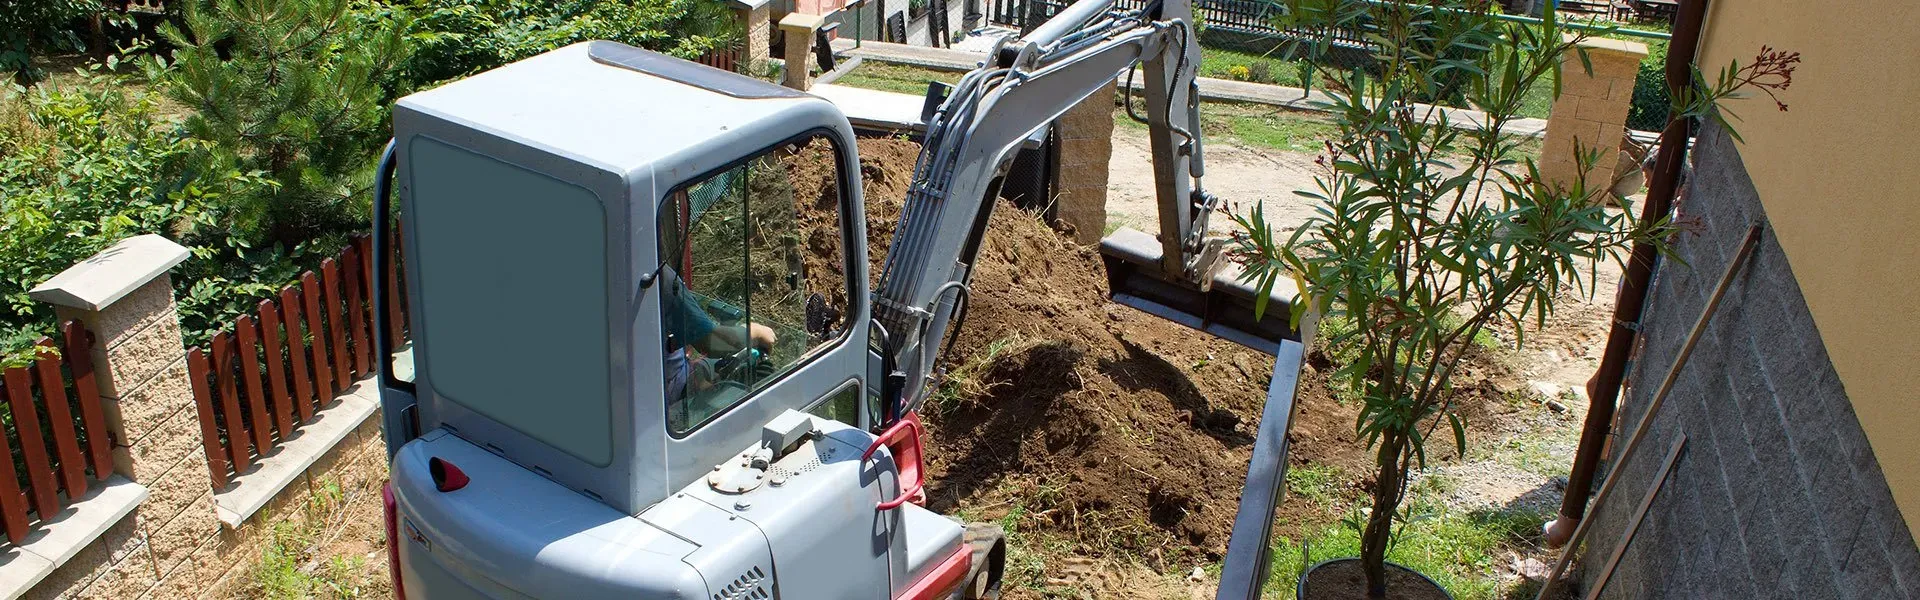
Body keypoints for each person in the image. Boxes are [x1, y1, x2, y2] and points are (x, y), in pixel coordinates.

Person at [660, 266, 777, 427]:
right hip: (671, 398)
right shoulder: (660, 276)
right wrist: (756, 331)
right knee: (760, 371)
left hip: (642, 396)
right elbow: (711, 343)